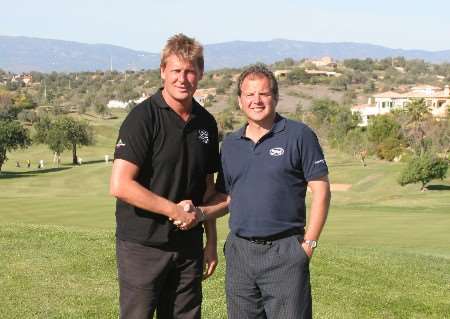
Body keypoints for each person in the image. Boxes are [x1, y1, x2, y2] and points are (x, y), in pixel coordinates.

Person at [110, 34, 222, 319]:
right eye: (175, 71)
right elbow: (120, 185)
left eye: (189, 71)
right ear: (162, 72)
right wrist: (173, 210)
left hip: (188, 249)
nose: (182, 79)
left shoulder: (206, 122)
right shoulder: (143, 118)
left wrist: (210, 243)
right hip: (143, 246)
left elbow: (207, 190)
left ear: (200, 74)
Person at [215, 64, 331, 319]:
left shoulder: (299, 135)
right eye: (249, 94)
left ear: (275, 98)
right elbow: (225, 197)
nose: (256, 100)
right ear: (240, 100)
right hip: (240, 254)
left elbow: (321, 191)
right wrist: (198, 212)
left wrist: (308, 245)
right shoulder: (231, 144)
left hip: (284, 252)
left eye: (264, 94)